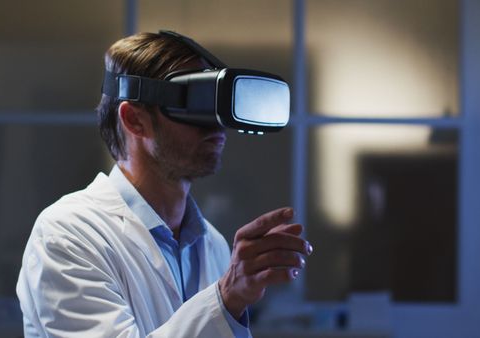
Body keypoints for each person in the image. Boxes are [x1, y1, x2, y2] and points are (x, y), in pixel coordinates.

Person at [16, 32, 312, 338]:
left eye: (216, 105)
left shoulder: (212, 244)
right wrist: (225, 299)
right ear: (134, 120)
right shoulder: (67, 235)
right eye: (195, 102)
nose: (216, 124)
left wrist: (226, 300)